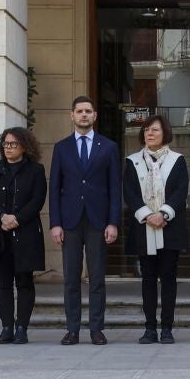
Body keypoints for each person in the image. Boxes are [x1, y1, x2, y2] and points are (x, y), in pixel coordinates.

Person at [48, 94, 121, 345]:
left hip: (98, 221)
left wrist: (113, 222)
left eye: (88, 111)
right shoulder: (61, 147)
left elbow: (115, 188)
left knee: (97, 277)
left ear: (94, 116)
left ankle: (96, 329)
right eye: (79, 111)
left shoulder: (108, 147)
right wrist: (55, 223)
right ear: (72, 115)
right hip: (69, 221)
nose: (84, 115)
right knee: (71, 278)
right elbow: (54, 188)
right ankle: (73, 329)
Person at [124, 112, 190, 343]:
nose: (149, 133)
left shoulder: (177, 160)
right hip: (144, 227)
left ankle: (167, 328)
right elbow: (129, 192)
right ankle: (150, 327)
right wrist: (147, 216)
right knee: (148, 278)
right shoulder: (132, 161)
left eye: (155, 130)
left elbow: (181, 191)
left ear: (165, 133)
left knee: (169, 278)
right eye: (147, 130)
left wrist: (163, 214)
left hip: (169, 226)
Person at [0, 126, 45, 344]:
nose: (8, 148)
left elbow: (37, 199)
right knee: (3, 282)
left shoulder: (36, 170)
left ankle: (22, 327)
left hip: (25, 233)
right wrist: (3, 217)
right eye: (6, 144)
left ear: (24, 146)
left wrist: (17, 218)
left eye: (13, 144)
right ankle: (6, 326)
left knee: (24, 281)